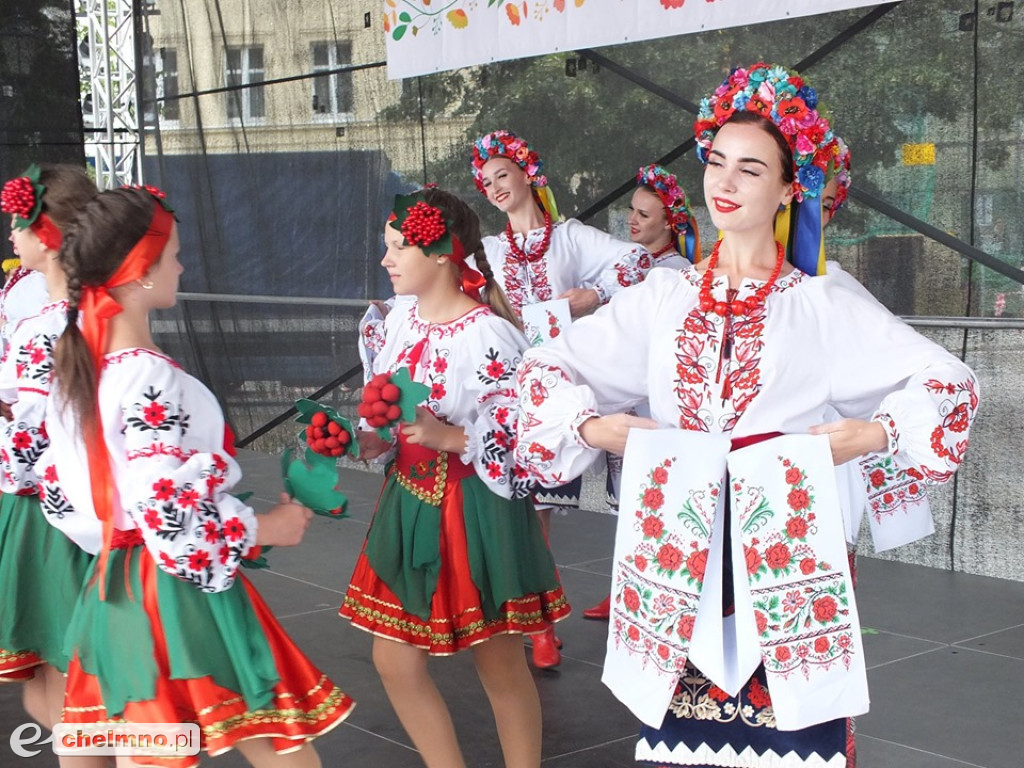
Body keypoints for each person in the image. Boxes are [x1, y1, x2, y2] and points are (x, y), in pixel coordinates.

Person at [515, 63, 979, 767]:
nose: (724, 184)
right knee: (682, 746)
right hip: (678, 549)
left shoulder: (820, 305)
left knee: (792, 742)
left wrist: (876, 432)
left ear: (791, 187)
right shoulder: (663, 299)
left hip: (782, 548)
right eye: (717, 163)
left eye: (751, 170)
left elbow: (949, 379)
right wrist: (591, 425)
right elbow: (545, 368)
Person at [44, 186, 354, 767]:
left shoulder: (81, 374)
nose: (183, 266)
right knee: (277, 740)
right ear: (139, 268)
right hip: (173, 591)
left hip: (112, 586)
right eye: (174, 254)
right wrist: (264, 527)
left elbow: (68, 496)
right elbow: (164, 506)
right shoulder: (147, 379)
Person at [340, 188, 569, 768]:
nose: (387, 261)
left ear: (442, 253)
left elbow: (531, 436)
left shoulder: (489, 335)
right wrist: (368, 440)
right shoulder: (395, 322)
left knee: (498, 662)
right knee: (393, 660)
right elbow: (388, 418)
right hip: (409, 501)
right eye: (387, 248)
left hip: (476, 508)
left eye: (399, 248)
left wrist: (454, 438)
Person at [471, 129, 645, 667]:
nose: (496, 187)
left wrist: (591, 296)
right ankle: (533, 620)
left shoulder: (568, 238)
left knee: (542, 506)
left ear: (528, 173)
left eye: (503, 174)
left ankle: (546, 623)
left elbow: (636, 262)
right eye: (486, 181)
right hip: (503, 380)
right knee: (516, 505)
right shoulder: (489, 250)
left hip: (557, 384)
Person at [0, 164, 101, 767]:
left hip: (52, 516)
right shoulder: (38, 307)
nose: (12, 235)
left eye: (20, 223)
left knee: (66, 690)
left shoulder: (57, 321)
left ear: (50, 233)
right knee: (45, 690)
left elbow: (41, 439)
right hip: (42, 502)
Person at [582, 164, 701, 621]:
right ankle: (629, 588)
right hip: (624, 396)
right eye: (632, 211)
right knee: (630, 496)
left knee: (658, 495)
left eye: (644, 215)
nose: (632, 220)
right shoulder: (630, 266)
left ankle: (663, 590)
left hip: (656, 396)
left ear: (669, 222)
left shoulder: (676, 272)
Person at [1, 166, 53, 360]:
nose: (10, 237)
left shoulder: (44, 283)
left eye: (17, 228)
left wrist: (5, 327)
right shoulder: (27, 275)